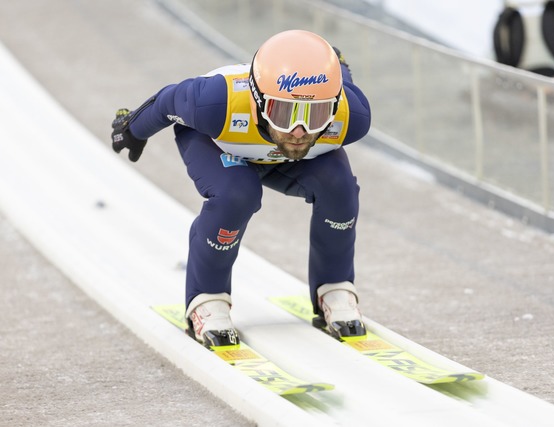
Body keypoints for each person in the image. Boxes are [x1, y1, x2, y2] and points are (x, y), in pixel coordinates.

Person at [111, 29, 372, 347]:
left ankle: (335, 286)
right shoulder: (215, 102)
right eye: (284, 112)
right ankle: (207, 297)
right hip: (219, 143)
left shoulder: (352, 116)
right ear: (258, 100)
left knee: (340, 189)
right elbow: (167, 101)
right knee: (237, 193)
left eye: (315, 114)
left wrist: (331, 57)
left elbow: (341, 78)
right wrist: (133, 128)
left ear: (334, 107)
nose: (298, 131)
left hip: (278, 154)